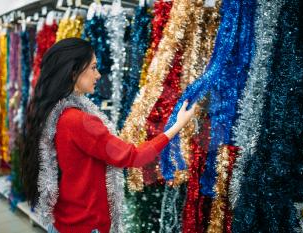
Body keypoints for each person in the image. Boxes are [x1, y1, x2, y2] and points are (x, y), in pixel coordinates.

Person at [21, 38, 196, 233]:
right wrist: (176, 126)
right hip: (86, 225)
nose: (98, 74)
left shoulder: (52, 112)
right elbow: (134, 156)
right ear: (73, 73)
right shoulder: (79, 121)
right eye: (93, 68)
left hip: (65, 221)